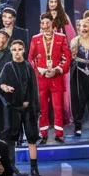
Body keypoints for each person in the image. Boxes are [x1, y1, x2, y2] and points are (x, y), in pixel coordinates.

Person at [0, 38, 42, 176]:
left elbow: (33, 88)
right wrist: (5, 87)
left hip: (28, 109)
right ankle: (11, 167)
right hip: (13, 108)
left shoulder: (28, 66)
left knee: (31, 137)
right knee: (11, 138)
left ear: (24, 50)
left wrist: (34, 106)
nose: (17, 52)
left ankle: (34, 169)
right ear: (11, 51)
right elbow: (0, 85)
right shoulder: (8, 67)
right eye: (14, 50)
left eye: (20, 49)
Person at [28, 12, 72, 143]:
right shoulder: (35, 38)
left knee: (58, 107)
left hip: (56, 77)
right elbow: (31, 58)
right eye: (42, 23)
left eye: (47, 23)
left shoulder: (61, 37)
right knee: (42, 108)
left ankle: (59, 134)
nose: (45, 25)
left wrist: (58, 69)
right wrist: (40, 70)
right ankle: (43, 134)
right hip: (41, 78)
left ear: (52, 23)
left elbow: (67, 56)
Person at [47, 0, 76, 126]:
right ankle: (50, 117)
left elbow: (72, 38)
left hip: (61, 57)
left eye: (55, 2)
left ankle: (64, 116)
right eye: (50, 2)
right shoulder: (44, 18)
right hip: (47, 57)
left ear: (58, 4)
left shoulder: (64, 18)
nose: (52, 4)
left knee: (63, 87)